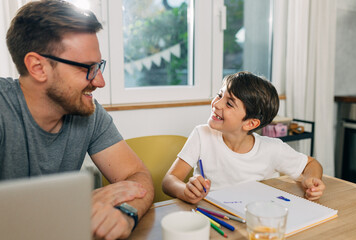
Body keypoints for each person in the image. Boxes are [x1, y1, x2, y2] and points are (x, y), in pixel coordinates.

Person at [0, 1, 154, 239]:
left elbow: (136, 176)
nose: (100, 81)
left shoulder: (88, 111)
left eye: (99, 66)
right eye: (87, 68)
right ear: (38, 67)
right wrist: (69, 207)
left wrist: (125, 212)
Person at [162, 71, 325, 204]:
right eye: (219, 95)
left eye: (229, 103)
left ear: (250, 123)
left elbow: (311, 164)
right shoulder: (202, 135)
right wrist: (185, 191)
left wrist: (311, 179)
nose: (217, 104)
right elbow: (169, 181)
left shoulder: (272, 149)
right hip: (212, 217)